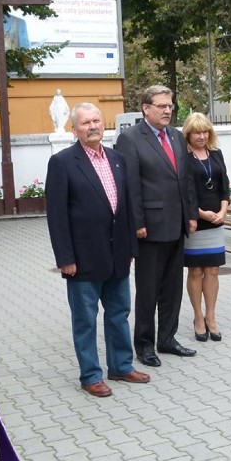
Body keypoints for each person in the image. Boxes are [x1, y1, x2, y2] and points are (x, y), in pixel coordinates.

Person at [46, 103, 150, 397]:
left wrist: (131, 245)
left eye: (96, 121)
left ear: (103, 124)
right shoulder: (63, 163)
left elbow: (125, 206)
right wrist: (65, 258)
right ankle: (90, 375)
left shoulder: (117, 159)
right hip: (83, 258)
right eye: (85, 123)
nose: (92, 126)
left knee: (119, 313)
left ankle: (121, 366)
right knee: (85, 320)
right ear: (74, 129)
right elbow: (56, 216)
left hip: (117, 255)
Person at [115, 85, 198, 366]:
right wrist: (137, 222)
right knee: (148, 290)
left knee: (172, 287)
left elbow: (185, 179)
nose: (167, 110)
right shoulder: (130, 139)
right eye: (161, 105)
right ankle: (144, 344)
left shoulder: (176, 136)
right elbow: (130, 185)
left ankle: (167, 338)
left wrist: (191, 215)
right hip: (149, 227)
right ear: (146, 108)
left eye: (170, 105)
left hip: (177, 225)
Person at [182, 113, 230, 341]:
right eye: (196, 132)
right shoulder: (184, 157)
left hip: (216, 221)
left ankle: (211, 316)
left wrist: (222, 212)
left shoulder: (216, 154)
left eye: (205, 132)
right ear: (188, 134)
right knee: (196, 271)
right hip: (195, 221)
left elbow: (224, 187)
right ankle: (198, 316)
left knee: (212, 270)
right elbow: (184, 191)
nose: (201, 136)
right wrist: (201, 213)